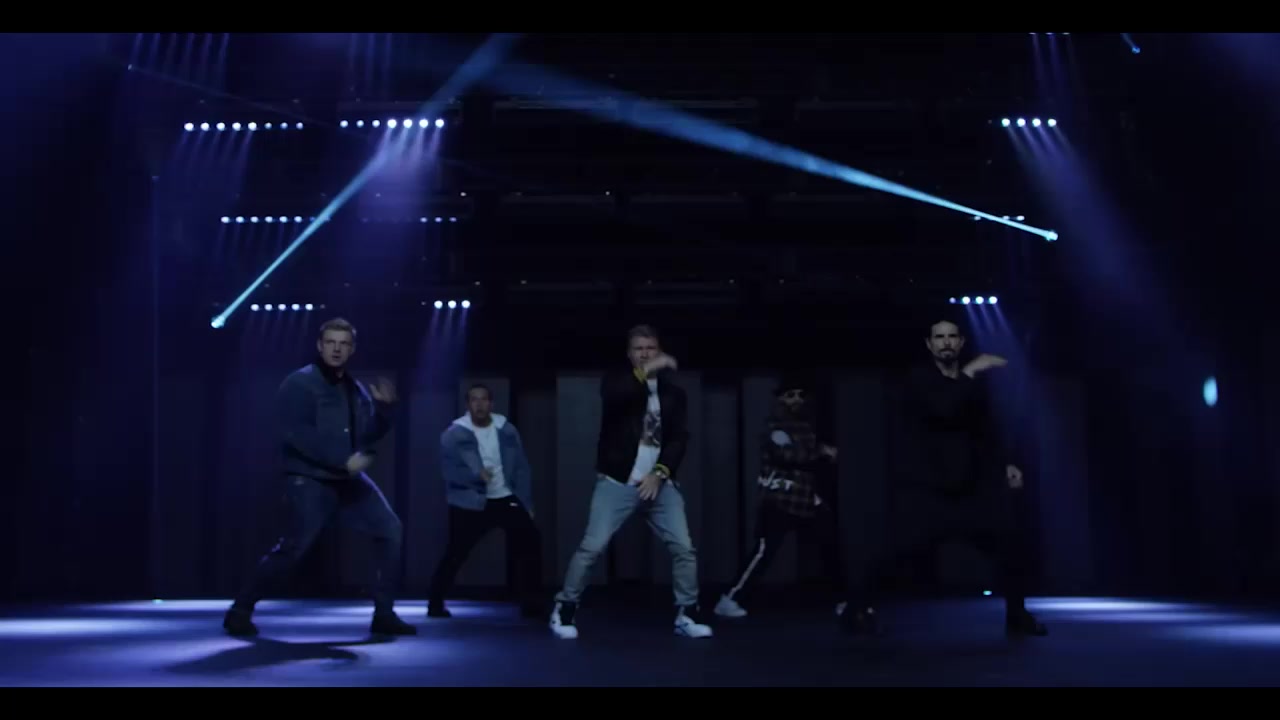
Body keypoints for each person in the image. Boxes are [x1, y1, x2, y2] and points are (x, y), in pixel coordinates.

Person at [848, 318, 1046, 636]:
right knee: (895, 554)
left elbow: (986, 430)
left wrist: (1007, 464)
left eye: (952, 336)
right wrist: (971, 371)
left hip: (971, 488)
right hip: (930, 489)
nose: (946, 342)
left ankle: (1017, 615)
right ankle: (855, 608)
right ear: (930, 344)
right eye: (939, 337)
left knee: (1009, 544)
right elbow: (943, 408)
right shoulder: (919, 379)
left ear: (961, 342)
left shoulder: (975, 386)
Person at [222, 318, 415, 637]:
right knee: (295, 548)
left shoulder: (355, 389)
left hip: (346, 480)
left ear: (352, 349)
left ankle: (384, 613)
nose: (336, 349)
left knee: (390, 529)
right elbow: (295, 433)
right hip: (309, 478)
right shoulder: (299, 383)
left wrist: (385, 412)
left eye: (343, 343)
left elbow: (366, 435)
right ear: (319, 345)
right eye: (331, 342)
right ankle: (240, 609)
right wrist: (342, 460)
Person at [548, 324, 713, 639]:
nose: (645, 354)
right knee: (592, 547)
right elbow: (618, 395)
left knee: (684, 548)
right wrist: (647, 371)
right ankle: (565, 608)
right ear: (629, 354)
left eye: (651, 349)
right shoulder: (616, 383)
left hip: (659, 485)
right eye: (639, 349)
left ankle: (687, 614)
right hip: (617, 483)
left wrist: (660, 472)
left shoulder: (674, 395)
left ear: (659, 349)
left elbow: (679, 438)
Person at [715, 375, 849, 623]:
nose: (796, 399)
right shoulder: (775, 427)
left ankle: (844, 600)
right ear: (780, 399)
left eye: (800, 395)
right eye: (790, 395)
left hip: (805, 499)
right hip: (779, 500)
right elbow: (789, 456)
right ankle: (729, 599)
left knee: (830, 546)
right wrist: (821, 451)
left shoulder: (805, 427)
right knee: (763, 551)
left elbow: (806, 460)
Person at [428, 383, 543, 619]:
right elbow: (449, 472)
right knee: (456, 552)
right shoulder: (454, 435)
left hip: (506, 497)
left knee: (530, 544)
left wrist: (527, 503)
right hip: (471, 501)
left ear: (491, 403)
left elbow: (521, 468)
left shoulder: (506, 430)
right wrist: (475, 475)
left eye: (483, 400)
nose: (479, 404)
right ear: (468, 404)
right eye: (474, 400)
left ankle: (531, 603)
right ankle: (435, 602)